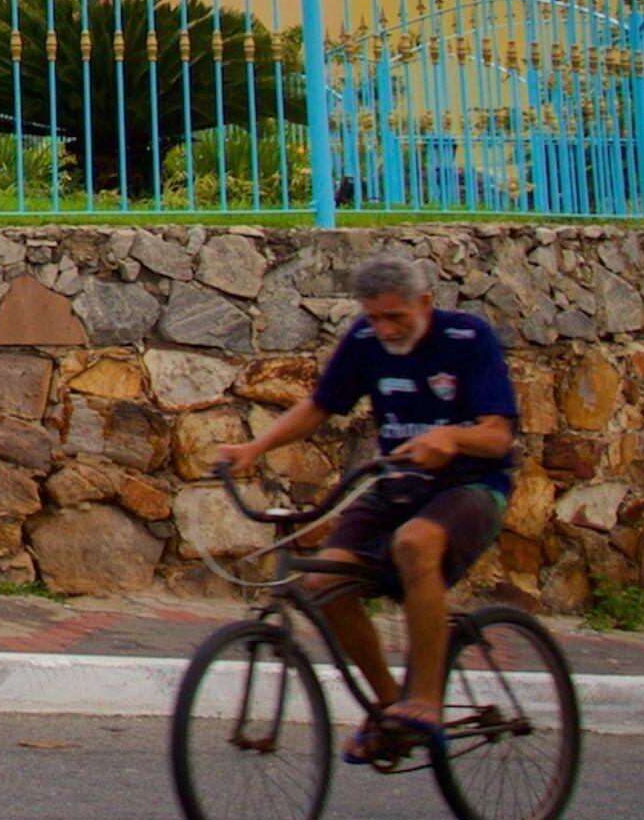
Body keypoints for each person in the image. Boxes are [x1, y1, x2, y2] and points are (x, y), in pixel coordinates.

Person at [217, 252, 520, 762]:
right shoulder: (364, 340)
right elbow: (320, 405)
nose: (384, 328)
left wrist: (450, 437)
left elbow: (497, 436)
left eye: (396, 317)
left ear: (425, 302)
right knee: (322, 585)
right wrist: (254, 449)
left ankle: (425, 700)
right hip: (396, 487)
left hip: (471, 487)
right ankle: (389, 708)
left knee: (415, 543)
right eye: (374, 316)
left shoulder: (467, 339)